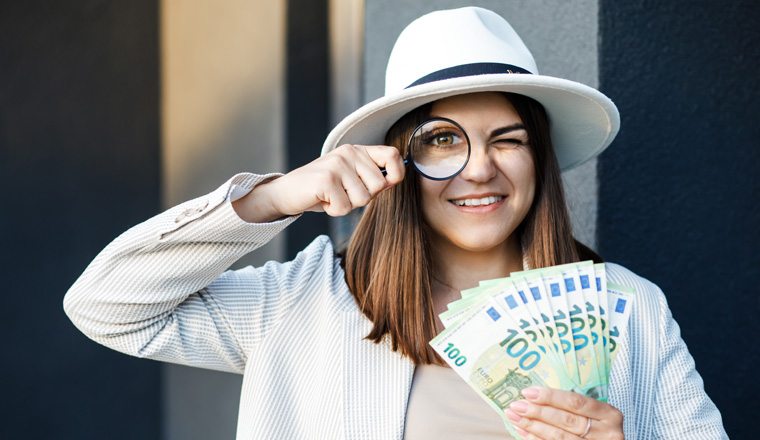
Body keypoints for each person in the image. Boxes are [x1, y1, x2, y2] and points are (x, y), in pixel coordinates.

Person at [64, 7, 727, 440]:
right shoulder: (303, 303)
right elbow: (107, 306)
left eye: (508, 139)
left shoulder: (627, 308)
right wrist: (269, 198)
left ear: (539, 158)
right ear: (397, 161)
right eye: (442, 139)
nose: (478, 170)